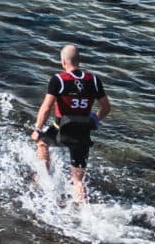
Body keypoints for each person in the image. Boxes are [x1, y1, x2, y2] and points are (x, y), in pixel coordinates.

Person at [32, 44, 111, 203]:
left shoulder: (58, 80)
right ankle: (83, 212)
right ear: (79, 61)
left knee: (42, 142)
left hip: (62, 128)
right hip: (83, 132)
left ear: (63, 62)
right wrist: (94, 120)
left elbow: (46, 107)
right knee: (78, 180)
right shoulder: (94, 80)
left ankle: (44, 180)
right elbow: (106, 107)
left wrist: (37, 128)